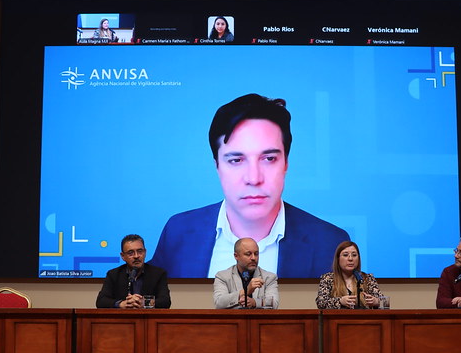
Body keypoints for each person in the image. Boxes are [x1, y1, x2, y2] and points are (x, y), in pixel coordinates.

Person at [150, 94, 350, 279]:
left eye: (269, 158)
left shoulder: (330, 243)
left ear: (286, 163)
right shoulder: (178, 231)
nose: (254, 178)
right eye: (236, 160)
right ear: (217, 166)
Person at [96, 234, 172, 308]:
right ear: (123, 256)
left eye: (140, 251)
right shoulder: (113, 274)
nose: (136, 256)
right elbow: (101, 301)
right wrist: (121, 304)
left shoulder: (158, 274)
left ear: (145, 252)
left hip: (147, 316)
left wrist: (145, 303)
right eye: (130, 253)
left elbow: (165, 301)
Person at [213, 238, 279, 309]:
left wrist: (255, 302)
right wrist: (245, 291)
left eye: (256, 254)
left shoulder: (269, 277)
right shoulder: (222, 276)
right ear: (236, 256)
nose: (253, 258)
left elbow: (274, 303)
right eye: (248, 254)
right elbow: (219, 303)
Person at [315, 241, 382, 309]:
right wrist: (340, 301)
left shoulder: (367, 278)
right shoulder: (328, 278)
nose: (350, 259)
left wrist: (376, 302)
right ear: (338, 259)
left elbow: (384, 301)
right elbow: (321, 303)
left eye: (354, 255)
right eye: (345, 255)